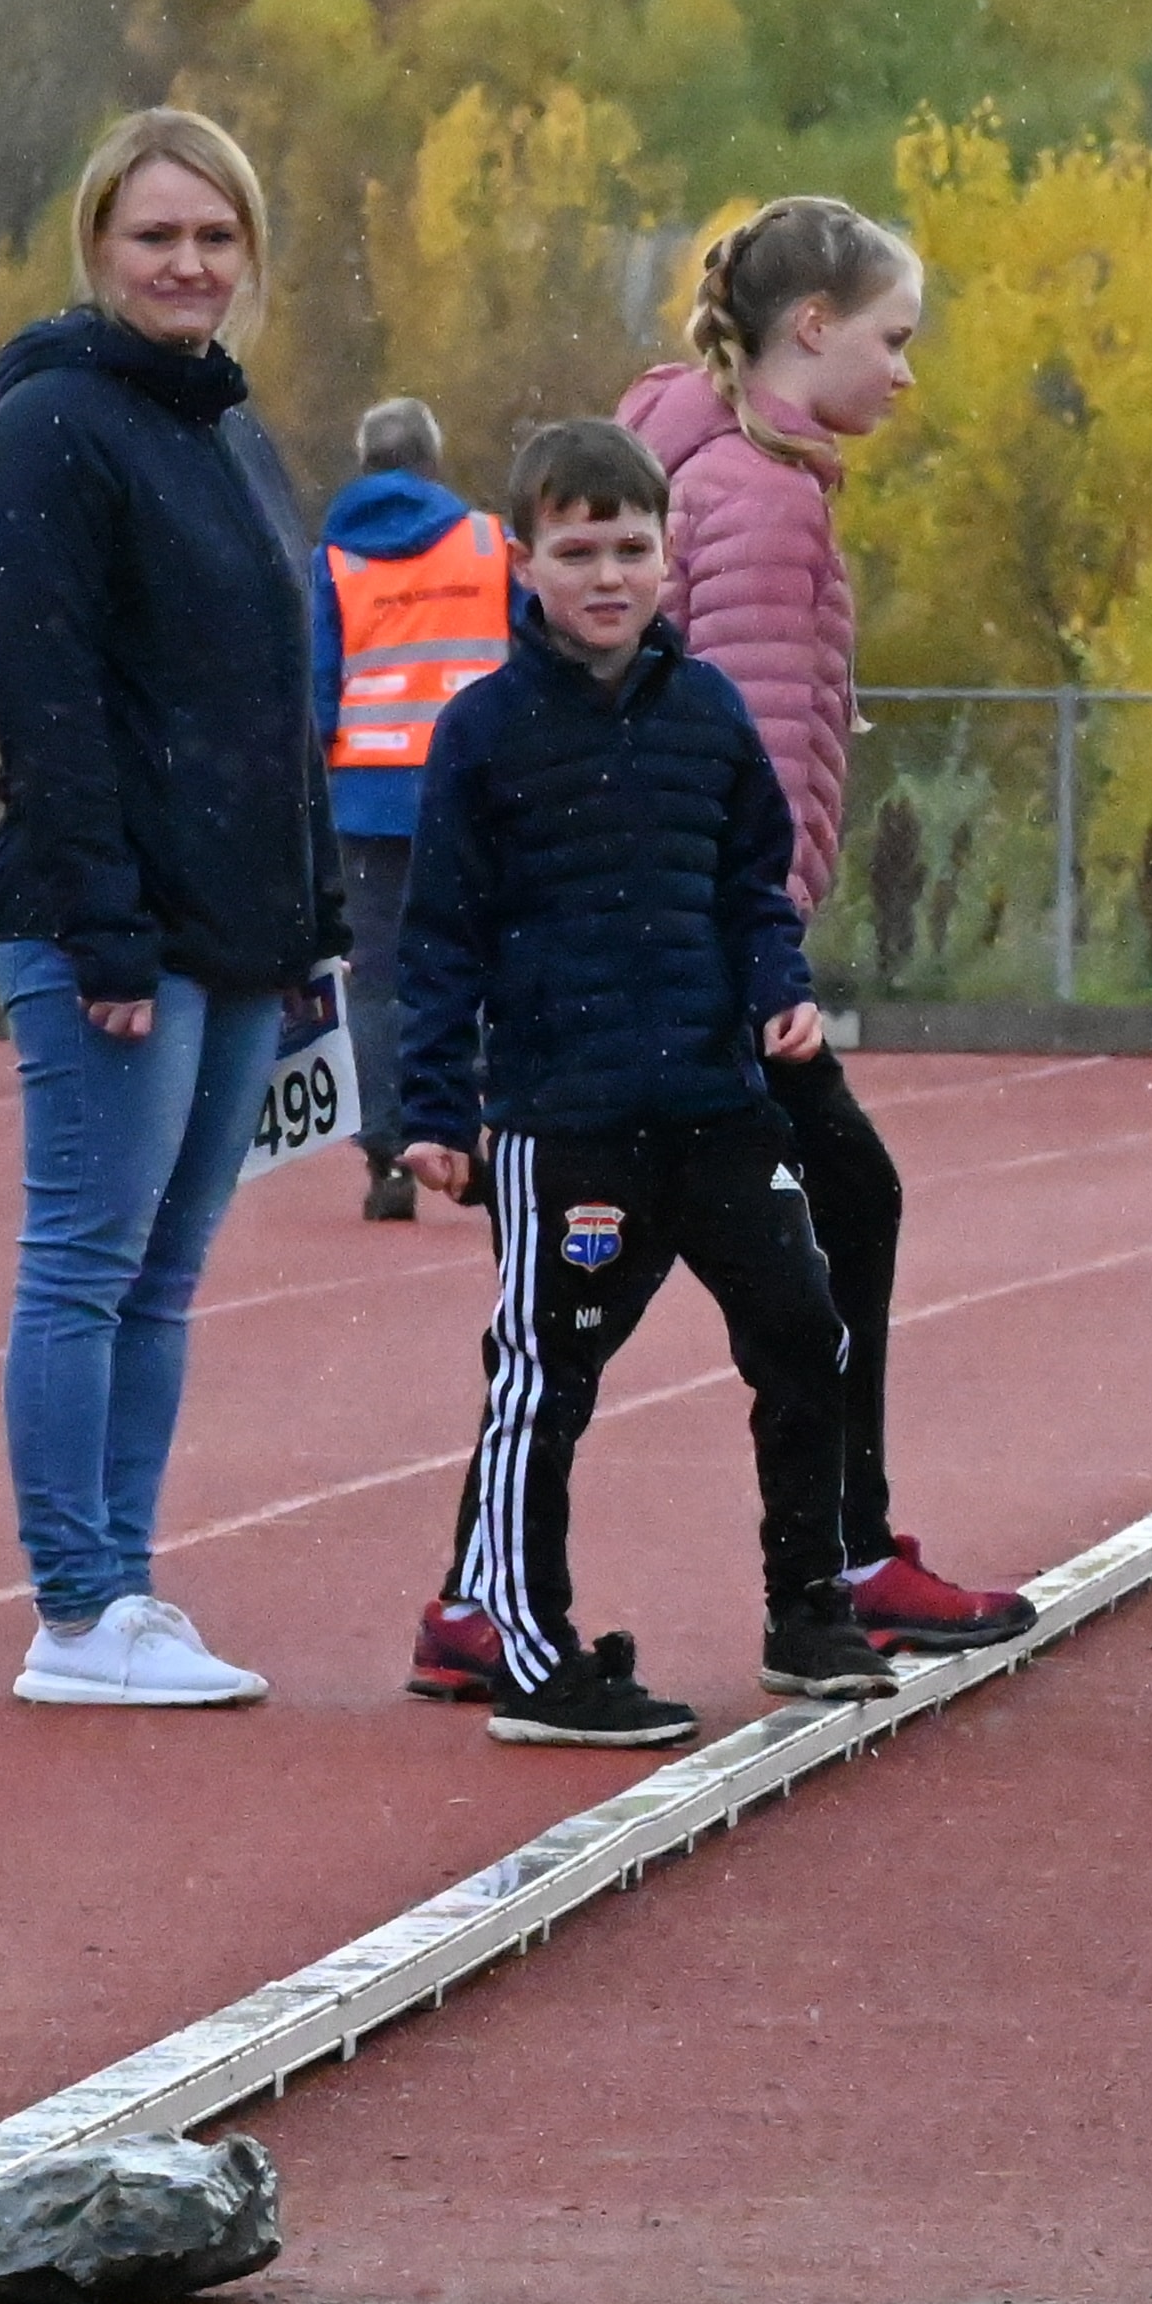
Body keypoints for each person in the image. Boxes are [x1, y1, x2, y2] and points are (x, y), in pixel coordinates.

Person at [397, 199, 1032, 1701]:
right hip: (680, 997)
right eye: (894, 339)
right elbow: (723, 745)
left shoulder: (749, 472)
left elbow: (734, 746)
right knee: (661, 1289)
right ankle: (809, 1561)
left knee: (702, 1287)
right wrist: (761, 964)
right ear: (810, 330)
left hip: (715, 975)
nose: (907, 372)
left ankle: (525, 1590)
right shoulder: (748, 499)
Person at [373, 420, 888, 1753]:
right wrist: (431, 1110)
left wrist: (779, 985)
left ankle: (808, 1606)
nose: (608, 575)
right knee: (547, 1380)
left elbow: (749, 884)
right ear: (522, 560)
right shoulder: (483, 735)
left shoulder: (708, 712)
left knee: (802, 1328)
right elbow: (438, 939)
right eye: (579, 550)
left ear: (668, 556)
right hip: (569, 1124)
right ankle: (536, 1658)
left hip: (715, 1107)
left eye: (632, 547)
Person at [0, 108, 340, 1710]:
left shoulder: (228, 434)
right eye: (157, 236)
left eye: (216, 238)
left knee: (167, 1275)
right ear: (98, 249)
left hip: (240, 930)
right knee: (86, 1260)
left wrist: (315, 922)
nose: (189, 264)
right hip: (112, 929)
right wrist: (107, 930)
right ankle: (74, 1609)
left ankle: (125, 1582)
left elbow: (278, 696)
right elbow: (47, 699)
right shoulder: (56, 427)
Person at [318, 397, 502, 1223]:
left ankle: (388, 1152)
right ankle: (487, 1127)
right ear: (433, 459)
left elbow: (317, 691)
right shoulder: (490, 544)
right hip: (479, 791)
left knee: (378, 980)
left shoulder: (332, 560)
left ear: (365, 461)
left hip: (370, 798)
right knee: (489, 962)